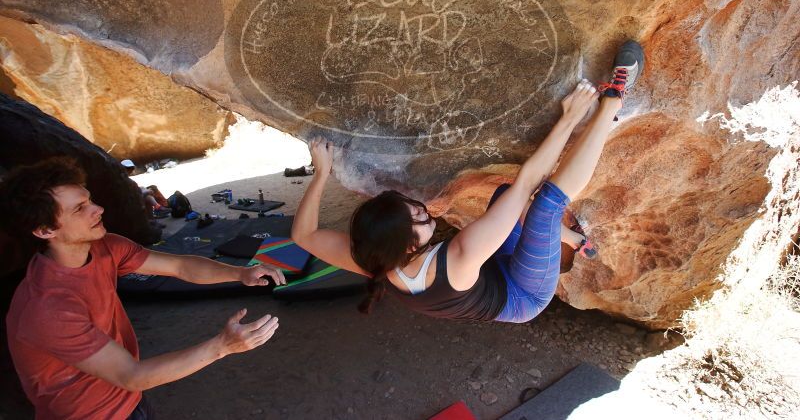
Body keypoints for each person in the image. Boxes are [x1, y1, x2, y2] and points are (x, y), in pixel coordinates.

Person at [291, 41, 644, 323]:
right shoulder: (458, 257)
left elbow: (303, 236)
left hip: (489, 269)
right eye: (421, 219)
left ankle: (566, 237)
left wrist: (322, 173)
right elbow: (529, 182)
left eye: (411, 206)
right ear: (410, 247)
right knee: (544, 206)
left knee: (505, 196)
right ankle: (614, 101)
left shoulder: (376, 258)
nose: (424, 211)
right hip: (522, 295)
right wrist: (569, 118)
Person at [0, 158, 285, 419]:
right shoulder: (48, 307)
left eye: (89, 200)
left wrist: (241, 273)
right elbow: (131, 374)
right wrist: (222, 346)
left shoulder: (106, 247)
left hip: (129, 401)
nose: (98, 209)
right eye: (79, 208)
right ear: (44, 230)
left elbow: (181, 267)